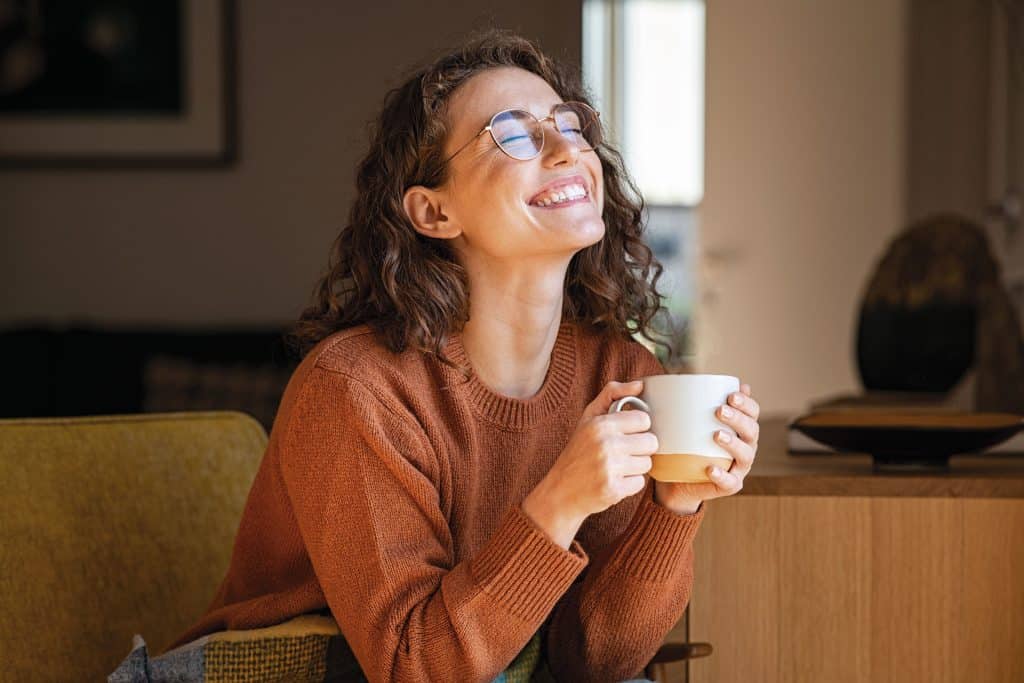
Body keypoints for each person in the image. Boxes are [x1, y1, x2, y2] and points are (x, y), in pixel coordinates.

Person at [171, 29, 760, 682]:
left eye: (571, 125)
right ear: (433, 211)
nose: (567, 148)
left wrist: (672, 507)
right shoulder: (355, 389)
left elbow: (592, 662)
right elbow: (410, 665)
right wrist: (558, 501)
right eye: (513, 133)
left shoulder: (620, 375)